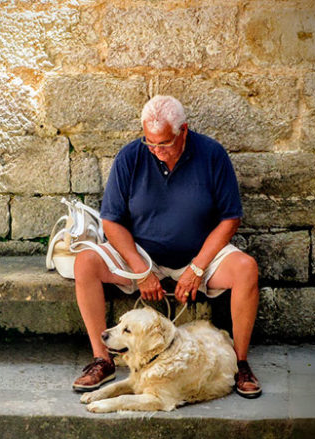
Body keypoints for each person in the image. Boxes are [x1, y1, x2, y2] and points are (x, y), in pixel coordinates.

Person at [71, 95, 262, 399]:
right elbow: (111, 222)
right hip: (142, 255)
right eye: (150, 143)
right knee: (85, 263)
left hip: (200, 255)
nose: (157, 151)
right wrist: (140, 268)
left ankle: (240, 364)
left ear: (183, 131)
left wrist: (198, 267)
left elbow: (230, 218)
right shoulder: (131, 156)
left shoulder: (212, 154)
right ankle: (102, 359)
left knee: (246, 269)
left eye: (165, 143)